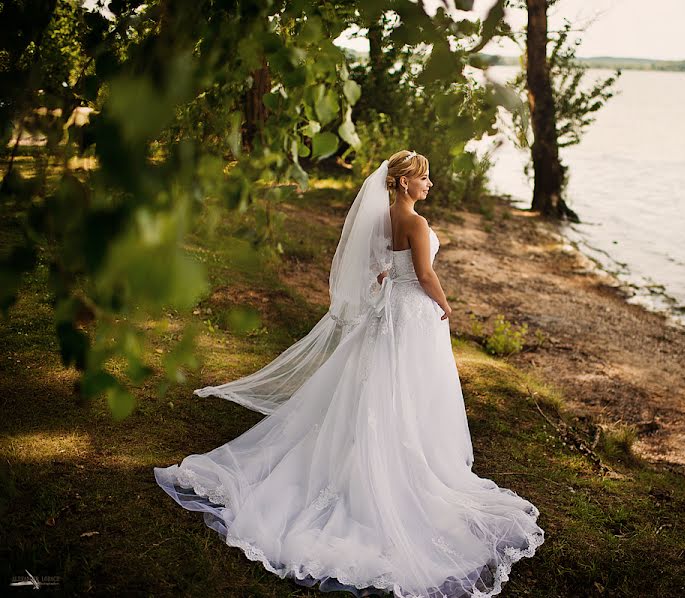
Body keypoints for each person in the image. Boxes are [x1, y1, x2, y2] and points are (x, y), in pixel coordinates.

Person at [153, 150, 545, 598]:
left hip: (387, 312)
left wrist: (389, 285)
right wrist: (445, 303)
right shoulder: (415, 222)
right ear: (403, 183)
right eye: (423, 179)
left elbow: (380, 269)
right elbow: (423, 273)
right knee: (408, 387)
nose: (429, 185)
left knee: (377, 383)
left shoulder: (383, 219)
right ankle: (393, 464)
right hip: (412, 312)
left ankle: (363, 450)